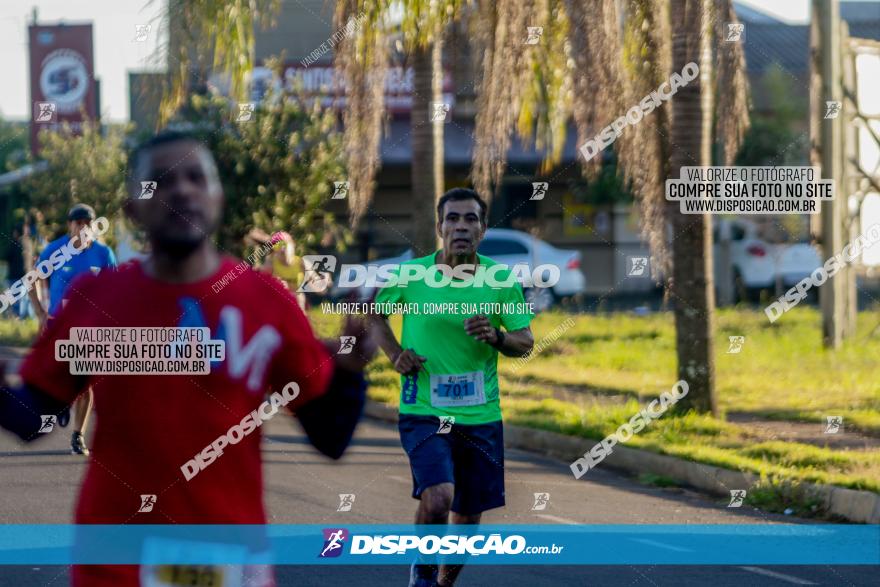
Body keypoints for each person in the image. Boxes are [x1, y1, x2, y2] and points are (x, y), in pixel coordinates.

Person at [0, 130, 376, 587]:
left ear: (218, 198)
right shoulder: (96, 300)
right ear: (131, 209)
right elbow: (32, 416)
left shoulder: (266, 303)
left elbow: (330, 436)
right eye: (161, 181)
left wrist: (353, 373)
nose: (182, 190)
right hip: (115, 566)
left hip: (230, 564)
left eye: (198, 177)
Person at [369, 188, 535, 587]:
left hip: (480, 414)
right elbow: (374, 314)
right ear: (440, 226)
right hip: (424, 409)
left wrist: (496, 337)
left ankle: (444, 583)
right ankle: (423, 574)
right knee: (439, 496)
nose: (461, 226)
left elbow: (525, 342)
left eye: (471, 219)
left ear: (482, 228)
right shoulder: (412, 276)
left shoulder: (500, 281)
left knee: (468, 516)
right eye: (453, 219)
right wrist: (395, 354)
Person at [28, 203, 117, 455]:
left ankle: (78, 436)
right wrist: (40, 313)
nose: (82, 227)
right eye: (77, 223)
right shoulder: (54, 251)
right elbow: (32, 280)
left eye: (87, 223)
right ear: (70, 226)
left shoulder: (103, 254)